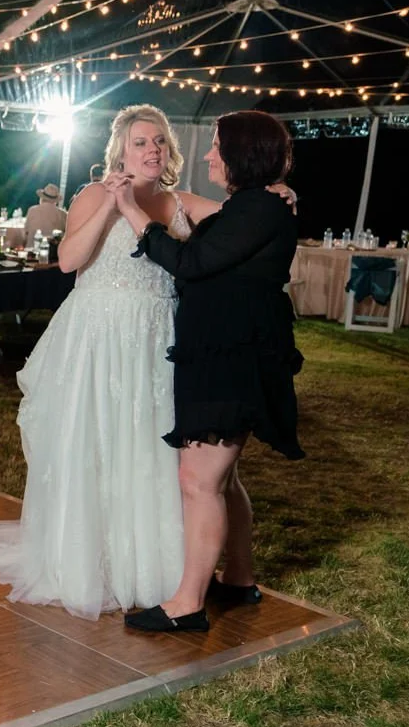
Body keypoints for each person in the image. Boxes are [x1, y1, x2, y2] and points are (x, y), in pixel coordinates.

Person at [0, 106, 218, 619]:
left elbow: (236, 220)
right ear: (121, 152)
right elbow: (68, 261)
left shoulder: (179, 202)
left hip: (154, 345)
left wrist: (271, 196)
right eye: (141, 142)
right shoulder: (92, 195)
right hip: (96, 341)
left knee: (147, 448)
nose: (152, 149)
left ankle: (151, 566)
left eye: (159, 142)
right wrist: (113, 204)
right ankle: (87, 561)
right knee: (96, 444)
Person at [113, 111, 303, 633]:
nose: (207, 155)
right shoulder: (254, 205)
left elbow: (189, 263)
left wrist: (132, 211)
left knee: (198, 481)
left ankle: (188, 604)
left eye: (216, 146)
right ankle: (238, 579)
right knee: (221, 477)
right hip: (225, 352)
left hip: (231, 357)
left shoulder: (259, 208)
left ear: (241, 152)